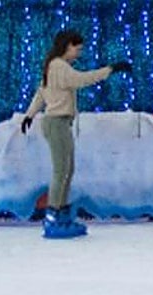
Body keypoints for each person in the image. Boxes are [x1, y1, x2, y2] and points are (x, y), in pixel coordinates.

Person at [19, 29, 131, 239]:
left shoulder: (54, 66)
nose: (79, 53)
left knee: (68, 169)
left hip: (59, 123)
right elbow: (82, 80)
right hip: (56, 123)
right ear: (67, 46)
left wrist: (30, 115)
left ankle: (60, 212)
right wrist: (111, 69)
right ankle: (52, 216)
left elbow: (41, 92)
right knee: (62, 170)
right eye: (77, 48)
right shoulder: (59, 67)